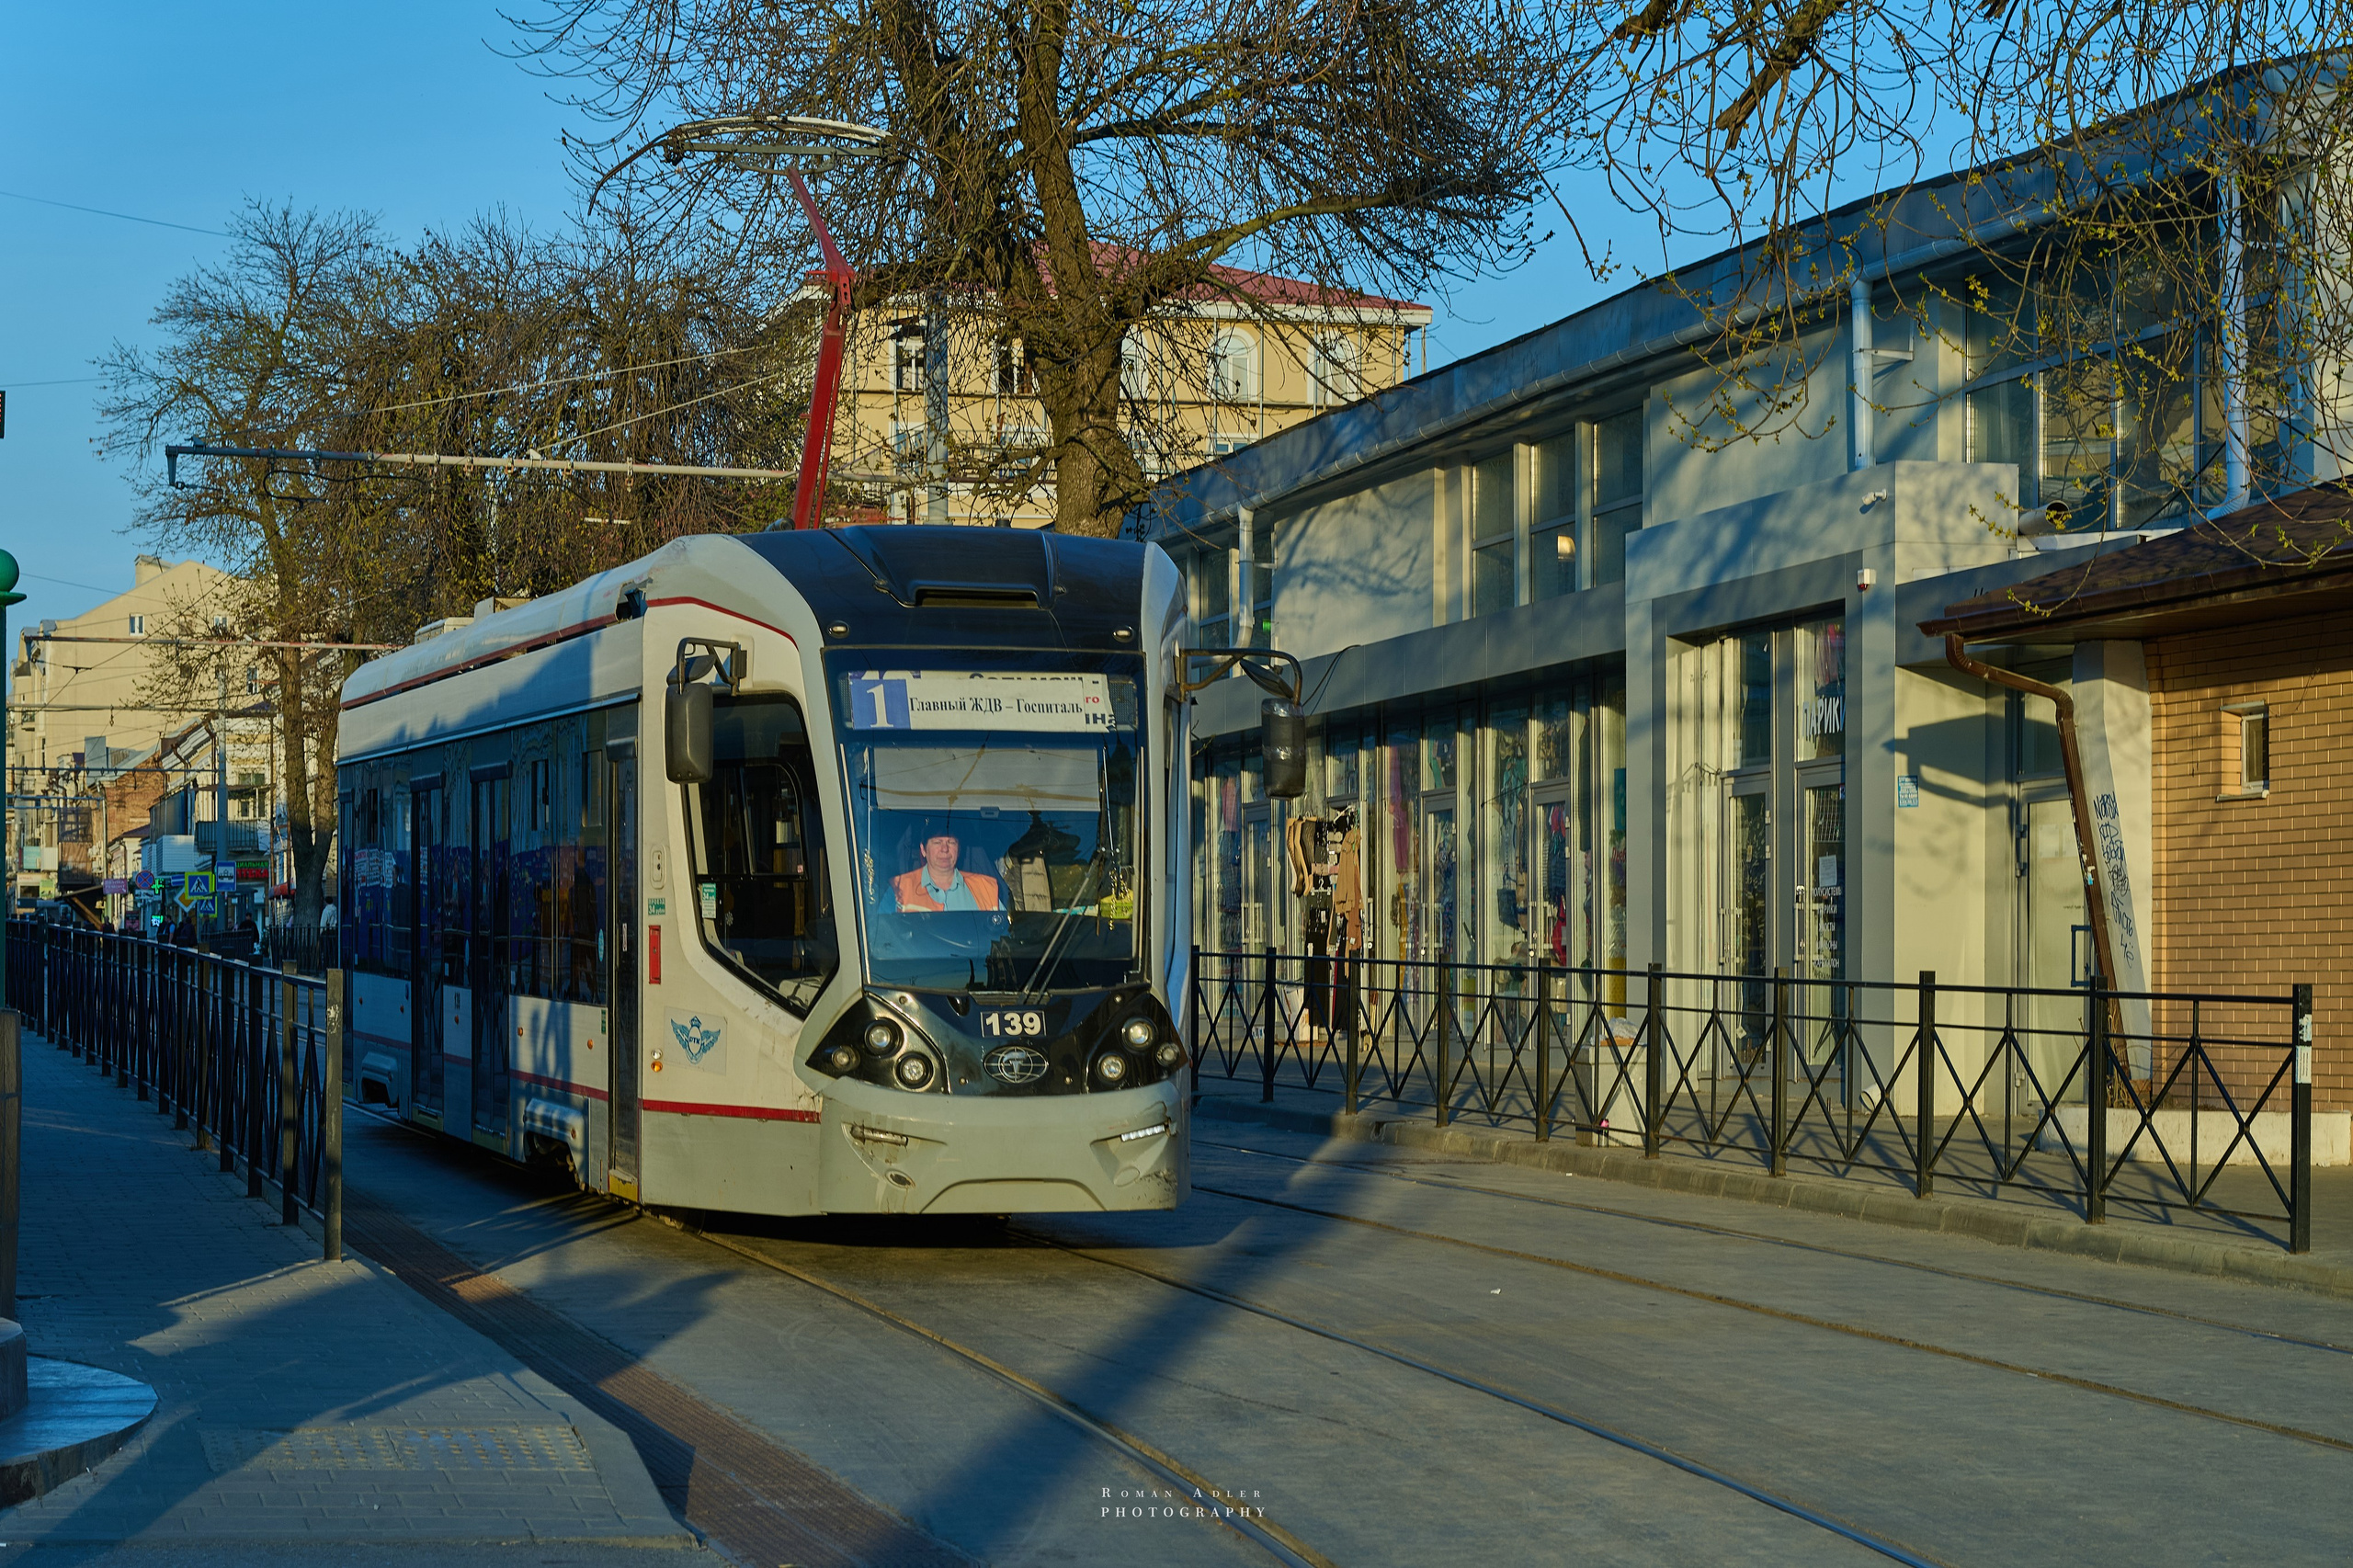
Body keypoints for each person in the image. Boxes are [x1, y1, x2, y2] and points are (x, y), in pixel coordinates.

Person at [892, 825, 1001, 913]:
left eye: (951, 842)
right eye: (937, 842)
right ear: (923, 850)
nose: (944, 849)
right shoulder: (898, 887)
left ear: (959, 850)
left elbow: (1003, 934)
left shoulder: (986, 887)